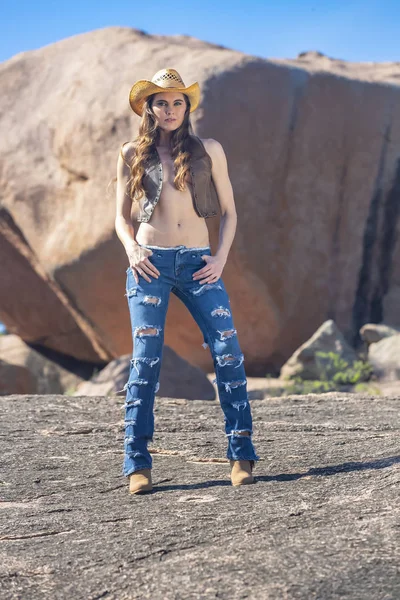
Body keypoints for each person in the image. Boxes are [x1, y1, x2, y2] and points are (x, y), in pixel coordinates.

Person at [115, 67, 260, 494]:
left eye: (178, 101)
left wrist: (220, 258)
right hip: (150, 265)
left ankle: (241, 455)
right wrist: (133, 249)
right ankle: (137, 465)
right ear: (149, 107)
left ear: (187, 106)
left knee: (228, 353)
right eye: (162, 101)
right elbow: (120, 219)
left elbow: (230, 211)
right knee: (145, 363)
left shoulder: (209, 149)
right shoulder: (130, 153)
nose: (171, 108)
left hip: (199, 264)